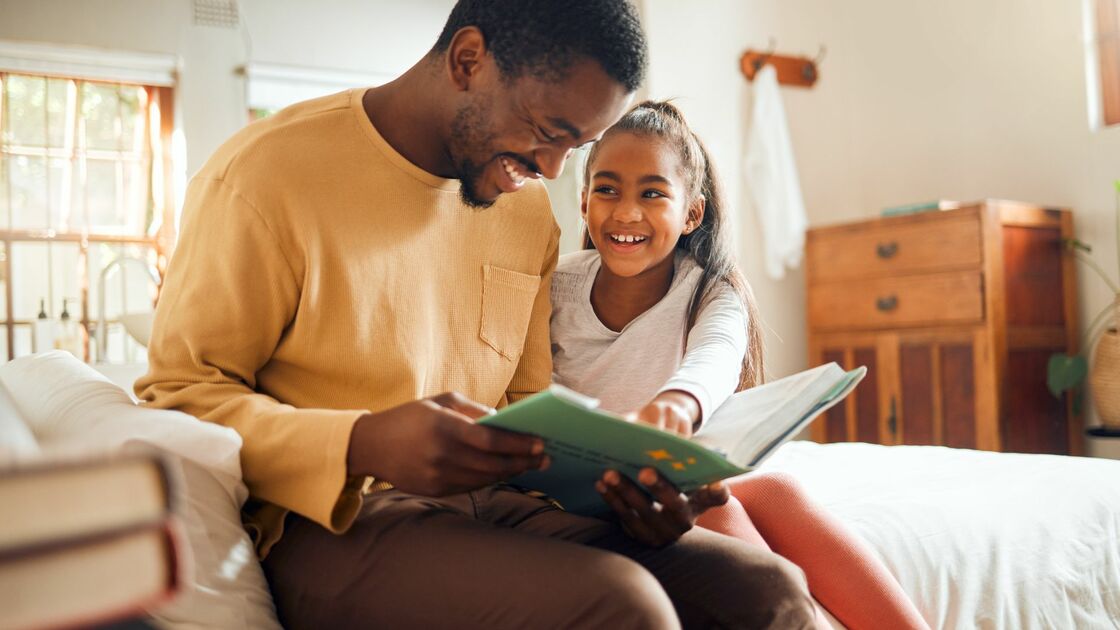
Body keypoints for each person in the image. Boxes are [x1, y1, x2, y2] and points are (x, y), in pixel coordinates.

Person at [137, 1, 818, 627]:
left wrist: (624, 493)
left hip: (500, 504)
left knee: (770, 590)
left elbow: (526, 407)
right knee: (624, 604)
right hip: (333, 521)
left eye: (576, 147)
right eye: (548, 132)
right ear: (468, 60)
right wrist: (361, 442)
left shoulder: (523, 209)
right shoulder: (265, 176)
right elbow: (181, 396)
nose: (554, 170)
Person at [549, 100, 929, 630]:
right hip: (584, 493)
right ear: (584, 201)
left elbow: (716, 357)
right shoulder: (557, 285)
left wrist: (677, 404)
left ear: (692, 213)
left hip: (665, 477)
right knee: (718, 506)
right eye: (607, 190)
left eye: (652, 194)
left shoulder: (711, 289)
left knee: (777, 491)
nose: (627, 213)